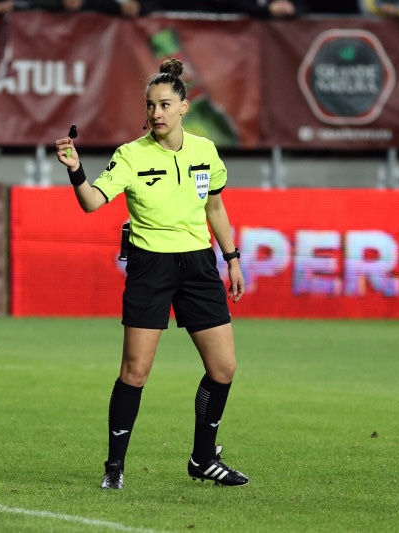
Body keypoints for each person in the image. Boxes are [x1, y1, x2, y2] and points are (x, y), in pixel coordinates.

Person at [55, 58, 249, 489]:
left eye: (164, 104)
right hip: (151, 267)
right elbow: (91, 202)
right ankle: (114, 467)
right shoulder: (130, 155)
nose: (156, 113)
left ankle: (203, 459)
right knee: (135, 372)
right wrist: (75, 169)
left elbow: (215, 207)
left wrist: (232, 258)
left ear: (184, 106)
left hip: (200, 265)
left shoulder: (206, 152)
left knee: (224, 368)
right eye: (150, 106)